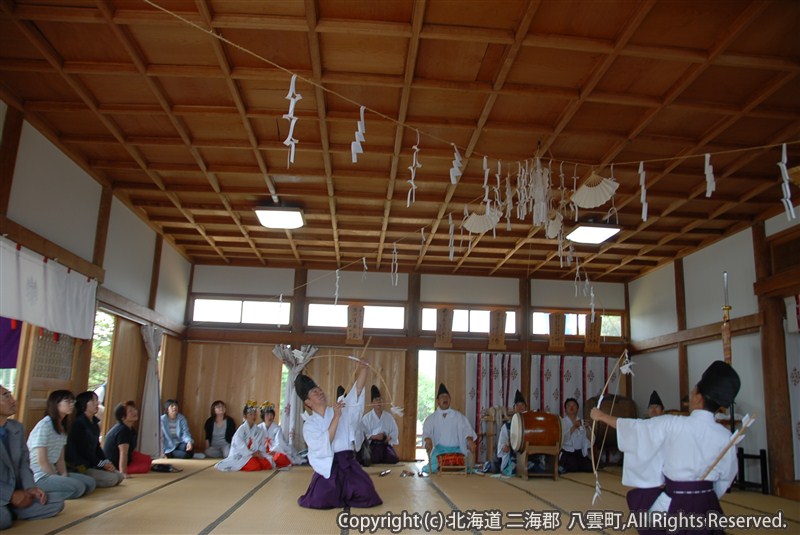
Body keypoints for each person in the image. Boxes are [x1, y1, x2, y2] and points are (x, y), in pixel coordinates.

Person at [591, 361, 741, 534]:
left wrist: (601, 416)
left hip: (674, 501)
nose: (690, 396)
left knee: (648, 512)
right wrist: (704, 493)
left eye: (693, 391)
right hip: (708, 504)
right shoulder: (725, 436)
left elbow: (635, 428)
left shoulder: (672, 423)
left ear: (698, 398)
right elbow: (726, 478)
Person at [295, 358, 382, 509]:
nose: (320, 392)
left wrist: (363, 370)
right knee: (321, 501)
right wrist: (336, 417)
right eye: (315, 392)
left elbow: (356, 393)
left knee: (368, 496)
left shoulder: (339, 408)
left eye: (319, 389)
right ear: (308, 402)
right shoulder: (309, 425)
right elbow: (325, 443)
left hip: (348, 464)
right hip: (329, 468)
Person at [0, 384, 64, 529]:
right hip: (5, 491)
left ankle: (13, 509)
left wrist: (30, 488)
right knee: (3, 519)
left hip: (17, 490)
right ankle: (11, 509)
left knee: (56, 502)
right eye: (6, 396)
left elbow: (24, 463)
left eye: (11, 395)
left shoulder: (16, 428)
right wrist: (11, 495)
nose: (13, 400)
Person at [27, 390, 96, 500]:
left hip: (53, 471)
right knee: (79, 488)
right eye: (67, 401)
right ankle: (38, 496)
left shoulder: (62, 427)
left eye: (72, 401)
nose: (71, 404)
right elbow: (42, 461)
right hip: (39, 475)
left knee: (90, 483)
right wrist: (56, 477)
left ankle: (55, 490)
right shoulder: (44, 425)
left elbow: (60, 459)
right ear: (56, 404)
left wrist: (63, 475)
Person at [66, 391, 124, 488]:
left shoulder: (94, 424)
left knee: (119, 476)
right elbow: (84, 452)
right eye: (93, 401)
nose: (97, 403)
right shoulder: (78, 424)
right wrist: (102, 464)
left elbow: (97, 447)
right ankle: (83, 481)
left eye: (97, 400)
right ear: (83, 404)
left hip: (94, 463)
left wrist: (106, 462)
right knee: (112, 479)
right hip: (82, 465)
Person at [422, 383, 477, 473]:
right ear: (437, 401)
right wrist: (428, 440)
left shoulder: (458, 416)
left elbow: (467, 429)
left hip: (456, 452)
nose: (445, 398)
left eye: (447, 396)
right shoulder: (431, 418)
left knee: (462, 466)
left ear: (450, 400)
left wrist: (470, 440)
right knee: (433, 466)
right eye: (442, 397)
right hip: (439, 452)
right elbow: (426, 432)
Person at [495, 390, 545, 476]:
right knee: (515, 467)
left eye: (522, 405)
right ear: (514, 409)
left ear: (526, 408)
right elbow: (502, 444)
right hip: (513, 458)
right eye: (517, 405)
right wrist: (505, 447)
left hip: (530, 456)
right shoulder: (507, 426)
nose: (520, 407)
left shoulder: (532, 425)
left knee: (539, 468)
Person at [215, 401, 271, 472]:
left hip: (254, 454)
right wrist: (252, 454)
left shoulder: (258, 430)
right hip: (242, 455)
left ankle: (253, 460)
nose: (253, 416)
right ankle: (242, 465)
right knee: (255, 466)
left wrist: (259, 452)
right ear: (245, 416)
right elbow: (240, 446)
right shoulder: (241, 430)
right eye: (250, 414)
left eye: (255, 414)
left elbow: (261, 444)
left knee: (267, 464)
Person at [103, 401, 152, 477]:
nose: (135, 412)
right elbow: (123, 453)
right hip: (114, 464)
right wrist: (123, 473)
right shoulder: (122, 430)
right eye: (130, 411)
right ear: (122, 417)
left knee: (147, 459)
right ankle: (121, 470)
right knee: (145, 465)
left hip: (124, 458)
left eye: (134, 409)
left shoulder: (130, 428)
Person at [358, 385, 399, 466]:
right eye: (376, 400)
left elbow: (395, 430)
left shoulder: (388, 417)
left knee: (393, 459)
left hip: (385, 445)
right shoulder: (367, 418)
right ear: (372, 403)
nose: (378, 402)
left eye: (380, 400)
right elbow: (362, 434)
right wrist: (374, 436)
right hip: (373, 446)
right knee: (372, 458)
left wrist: (389, 437)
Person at [559, 397, 593, 473]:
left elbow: (592, 440)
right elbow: (562, 439)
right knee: (572, 467)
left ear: (577, 409)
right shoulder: (562, 422)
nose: (571, 407)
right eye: (569, 405)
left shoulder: (582, 422)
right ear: (565, 410)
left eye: (574, 405)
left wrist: (587, 428)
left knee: (589, 468)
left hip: (580, 453)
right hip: (568, 452)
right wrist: (574, 427)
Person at [257, 402, 291, 468]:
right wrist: (263, 452)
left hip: (274, 451)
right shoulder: (258, 428)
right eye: (267, 415)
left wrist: (273, 451)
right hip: (262, 451)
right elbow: (256, 443)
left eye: (271, 415)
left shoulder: (277, 428)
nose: (270, 417)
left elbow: (280, 442)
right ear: (263, 416)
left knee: (280, 458)